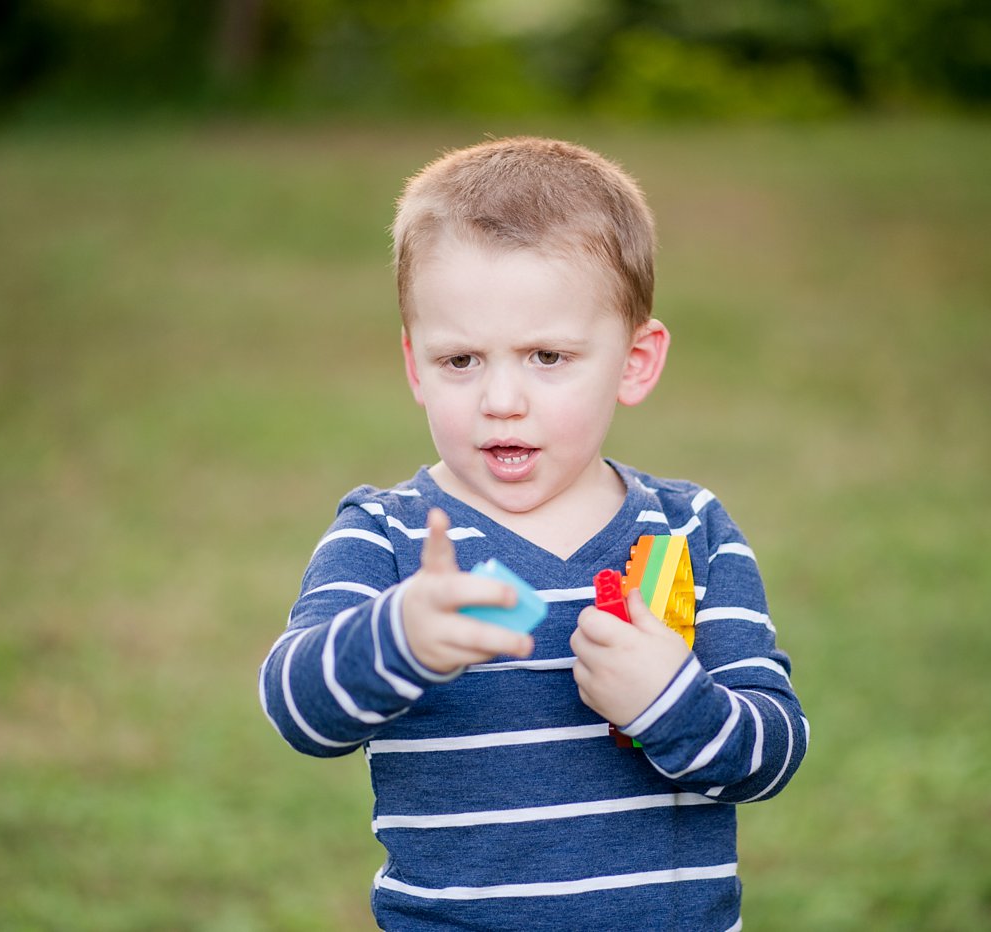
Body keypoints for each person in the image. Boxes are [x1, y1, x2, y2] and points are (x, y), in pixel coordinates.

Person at [259, 137, 808, 931]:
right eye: (461, 361)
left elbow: (774, 750)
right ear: (414, 365)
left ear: (634, 360)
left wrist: (671, 704)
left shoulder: (691, 532)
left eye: (547, 356)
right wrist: (398, 637)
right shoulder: (388, 536)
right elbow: (297, 710)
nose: (502, 399)